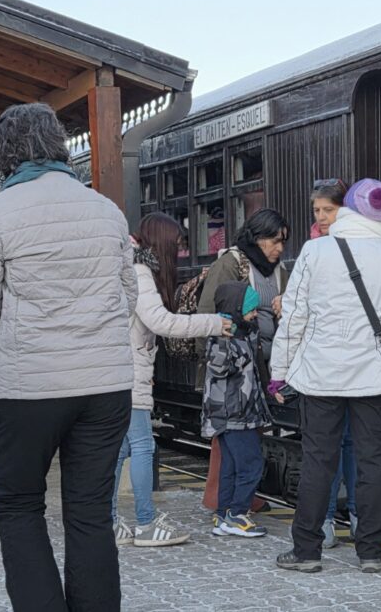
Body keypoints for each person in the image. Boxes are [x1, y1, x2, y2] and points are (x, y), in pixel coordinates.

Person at [0, 102, 135, 612]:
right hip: (105, 387)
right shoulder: (106, 211)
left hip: (29, 387)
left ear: (3, 153)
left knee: (17, 505)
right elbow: (129, 300)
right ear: (58, 145)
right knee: (90, 512)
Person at [270, 178, 381, 574]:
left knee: (318, 460)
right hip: (373, 377)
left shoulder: (316, 251)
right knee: (373, 461)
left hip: (320, 376)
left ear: (349, 210)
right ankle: (371, 551)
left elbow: (294, 318)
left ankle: (306, 550)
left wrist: (279, 372)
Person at [113, 212, 229, 548]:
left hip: (122, 368)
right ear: (162, 242)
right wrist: (214, 323)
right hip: (129, 370)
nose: (179, 253)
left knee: (120, 450)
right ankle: (146, 523)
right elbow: (161, 322)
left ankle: (109, 522)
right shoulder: (139, 270)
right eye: (177, 246)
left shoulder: (133, 261)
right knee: (143, 445)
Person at [197, 208, 290, 514]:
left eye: (282, 242)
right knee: (231, 439)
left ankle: (243, 496)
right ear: (256, 237)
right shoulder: (232, 263)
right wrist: (214, 361)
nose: (279, 249)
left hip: (264, 365)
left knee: (250, 434)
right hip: (233, 367)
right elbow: (209, 311)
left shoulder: (279, 270)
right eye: (274, 241)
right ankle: (222, 500)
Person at [204, 281, 282, 538]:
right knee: (250, 465)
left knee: (230, 465)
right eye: (250, 308)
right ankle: (237, 514)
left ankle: (223, 515)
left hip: (237, 412)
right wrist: (236, 342)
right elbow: (221, 368)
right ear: (237, 309)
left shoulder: (243, 332)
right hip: (236, 414)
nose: (256, 313)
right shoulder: (224, 336)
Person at [307, 179, 357, 548]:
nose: (322, 217)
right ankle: (328, 520)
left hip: (349, 353)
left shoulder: (356, 245)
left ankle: (351, 515)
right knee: (336, 444)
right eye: (317, 211)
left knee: (347, 444)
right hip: (328, 355)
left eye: (328, 210)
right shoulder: (315, 247)